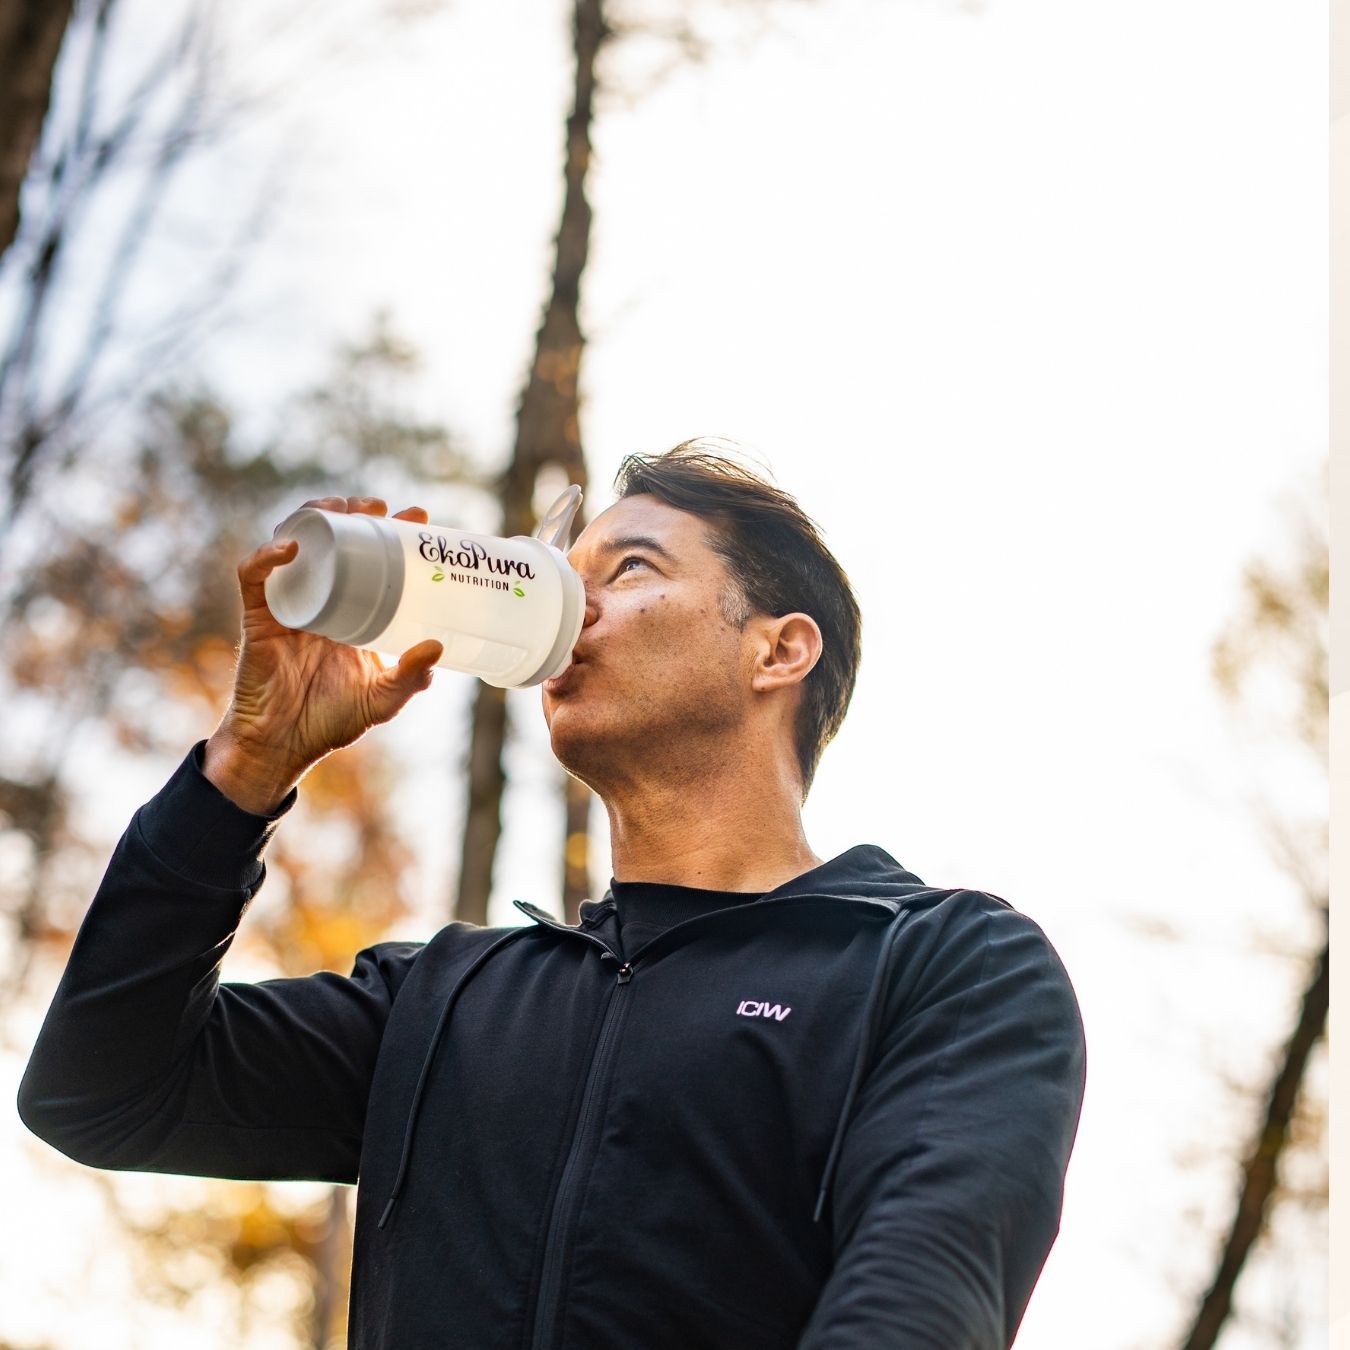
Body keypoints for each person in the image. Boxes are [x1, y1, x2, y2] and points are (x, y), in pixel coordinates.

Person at [19, 444, 1087, 1350]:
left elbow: (914, 1309)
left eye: (626, 570)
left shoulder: (943, 966)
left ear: (778, 649)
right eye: (562, 578)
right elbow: (101, 1092)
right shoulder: (446, 999)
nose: (571, 610)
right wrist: (243, 772)